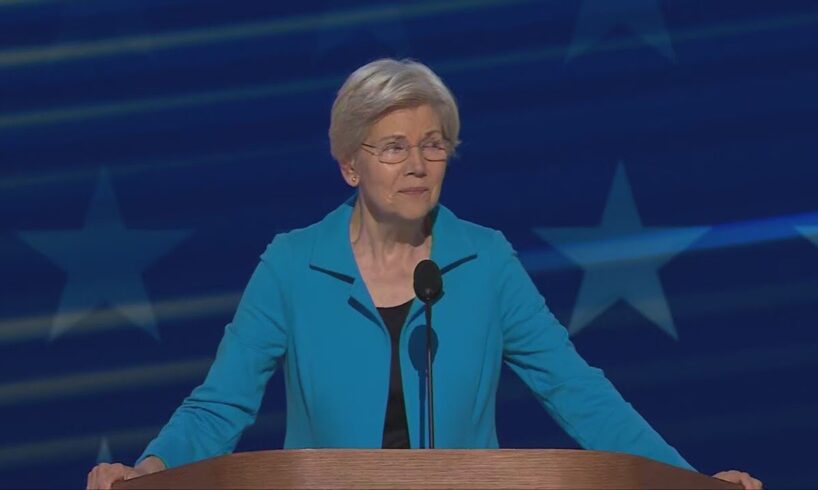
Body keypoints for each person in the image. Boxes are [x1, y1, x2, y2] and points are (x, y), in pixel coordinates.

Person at [86, 58, 763, 490]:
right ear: (350, 164)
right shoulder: (292, 264)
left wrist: (690, 483)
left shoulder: (486, 260)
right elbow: (222, 403)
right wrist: (149, 472)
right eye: (394, 147)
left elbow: (577, 391)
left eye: (434, 145)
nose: (418, 164)